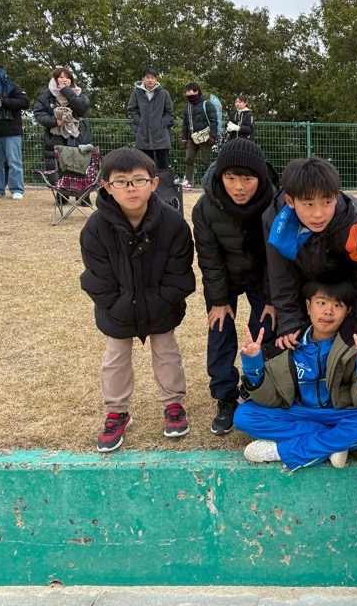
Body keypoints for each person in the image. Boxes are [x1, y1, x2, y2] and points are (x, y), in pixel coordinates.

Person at [236, 280, 357, 490]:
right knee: (243, 416)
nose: (328, 311)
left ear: (348, 311)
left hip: (338, 413)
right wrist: (253, 364)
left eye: (338, 305)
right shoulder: (289, 343)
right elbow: (269, 399)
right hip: (298, 411)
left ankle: (282, 451)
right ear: (308, 306)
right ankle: (333, 441)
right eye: (321, 303)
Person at [79, 148, 196, 452]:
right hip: (117, 309)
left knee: (167, 351)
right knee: (115, 357)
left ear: (154, 183)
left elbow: (179, 275)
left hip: (162, 305)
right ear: (106, 186)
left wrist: (156, 303)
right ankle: (117, 412)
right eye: (121, 181)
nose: (130, 188)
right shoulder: (95, 227)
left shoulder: (173, 224)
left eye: (138, 180)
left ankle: (173, 405)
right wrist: (121, 307)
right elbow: (97, 277)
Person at [192, 138, 280, 435]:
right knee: (220, 330)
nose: (238, 187)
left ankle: (257, 387)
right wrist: (219, 301)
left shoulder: (275, 203)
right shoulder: (205, 207)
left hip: (261, 274)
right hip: (225, 277)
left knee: (265, 328)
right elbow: (209, 258)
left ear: (261, 178)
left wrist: (271, 299)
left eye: (247, 179)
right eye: (230, 178)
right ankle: (225, 396)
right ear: (220, 176)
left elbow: (275, 255)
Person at [263, 156, 357, 350]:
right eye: (308, 204)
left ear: (336, 196)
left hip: (344, 282)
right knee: (286, 337)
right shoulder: (276, 222)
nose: (318, 214)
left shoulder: (353, 222)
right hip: (305, 280)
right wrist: (289, 322)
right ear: (290, 201)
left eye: (326, 202)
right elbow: (281, 274)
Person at [33, 67, 92, 172]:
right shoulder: (46, 96)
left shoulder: (79, 93)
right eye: (61, 77)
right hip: (55, 136)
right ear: (55, 79)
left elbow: (82, 108)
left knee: (78, 170)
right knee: (57, 170)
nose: (65, 80)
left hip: (78, 135)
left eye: (68, 78)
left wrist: (67, 92)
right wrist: (55, 121)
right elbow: (39, 113)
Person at [0, 62, 30, 200]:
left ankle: (17, 189)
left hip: (11, 131)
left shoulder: (12, 87)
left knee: (14, 161)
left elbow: (25, 102)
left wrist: (3, 102)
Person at [127, 68, 174, 170]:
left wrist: (162, 123)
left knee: (163, 166)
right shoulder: (136, 93)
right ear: (143, 79)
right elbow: (131, 109)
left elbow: (169, 112)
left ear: (156, 79)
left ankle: (164, 181)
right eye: (148, 77)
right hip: (143, 135)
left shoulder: (164, 93)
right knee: (145, 167)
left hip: (161, 135)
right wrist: (140, 121)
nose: (150, 80)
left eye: (152, 78)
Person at [180, 82, 218, 191]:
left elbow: (214, 121)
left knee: (206, 161)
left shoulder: (207, 104)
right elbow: (185, 124)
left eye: (189, 91)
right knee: (189, 159)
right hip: (192, 137)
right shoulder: (187, 106)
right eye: (186, 91)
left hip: (205, 137)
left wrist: (213, 136)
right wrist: (184, 138)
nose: (187, 93)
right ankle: (188, 182)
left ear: (196, 91)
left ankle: (210, 182)